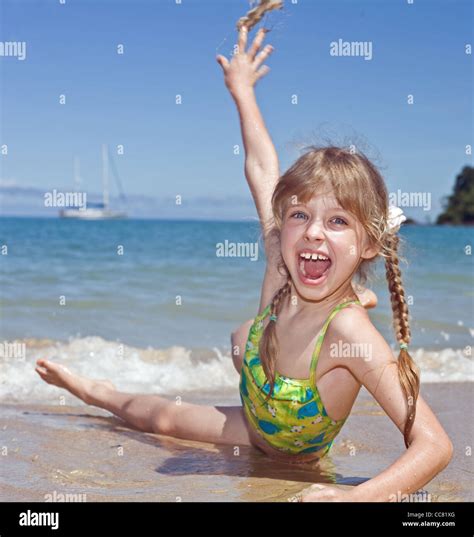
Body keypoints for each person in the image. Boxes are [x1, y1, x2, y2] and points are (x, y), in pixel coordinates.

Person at [35, 25, 453, 503]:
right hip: (256, 400)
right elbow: (260, 169)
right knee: (155, 415)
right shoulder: (282, 257)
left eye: (338, 221)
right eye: (299, 215)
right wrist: (243, 91)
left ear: (369, 245)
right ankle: (96, 391)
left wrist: (355, 498)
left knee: (185, 402)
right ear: (283, 222)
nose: (313, 231)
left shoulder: (352, 336)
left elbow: (435, 445)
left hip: (287, 445)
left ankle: (341, 298)